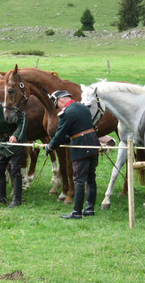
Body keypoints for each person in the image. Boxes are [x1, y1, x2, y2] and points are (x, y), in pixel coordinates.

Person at [44, 90, 100, 219]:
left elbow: (60, 133)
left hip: (81, 146)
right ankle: (89, 208)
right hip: (93, 144)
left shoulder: (67, 112)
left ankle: (77, 212)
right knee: (91, 178)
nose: (58, 107)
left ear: (61, 100)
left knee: (79, 180)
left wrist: (50, 146)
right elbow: (79, 127)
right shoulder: (83, 107)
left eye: (57, 104)